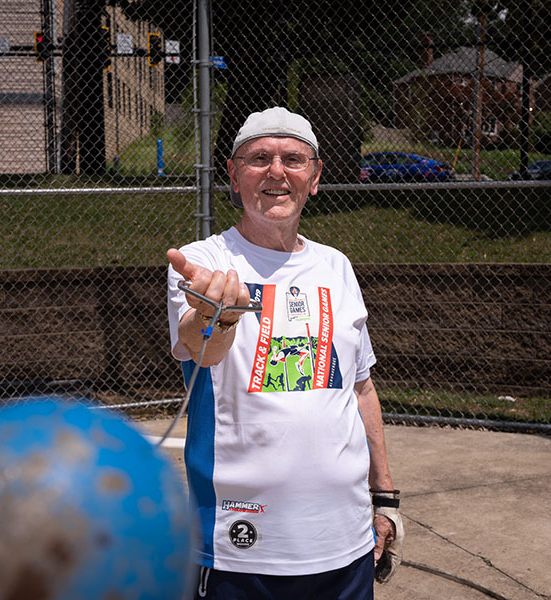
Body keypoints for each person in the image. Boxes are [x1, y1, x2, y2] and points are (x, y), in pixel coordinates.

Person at [166, 106, 403, 599]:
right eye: (259, 159)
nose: (276, 171)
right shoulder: (205, 262)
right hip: (239, 548)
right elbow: (198, 348)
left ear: (314, 178)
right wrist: (220, 315)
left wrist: (385, 498)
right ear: (233, 175)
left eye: (293, 159)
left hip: (346, 545)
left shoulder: (336, 267)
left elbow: (361, 388)